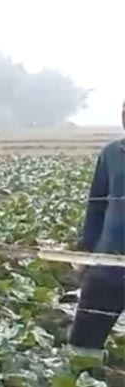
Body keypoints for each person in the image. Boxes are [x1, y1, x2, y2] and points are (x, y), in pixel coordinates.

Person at [67, 99, 125, 360]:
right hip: (108, 263)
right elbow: (96, 207)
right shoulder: (112, 154)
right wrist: (85, 252)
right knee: (84, 340)